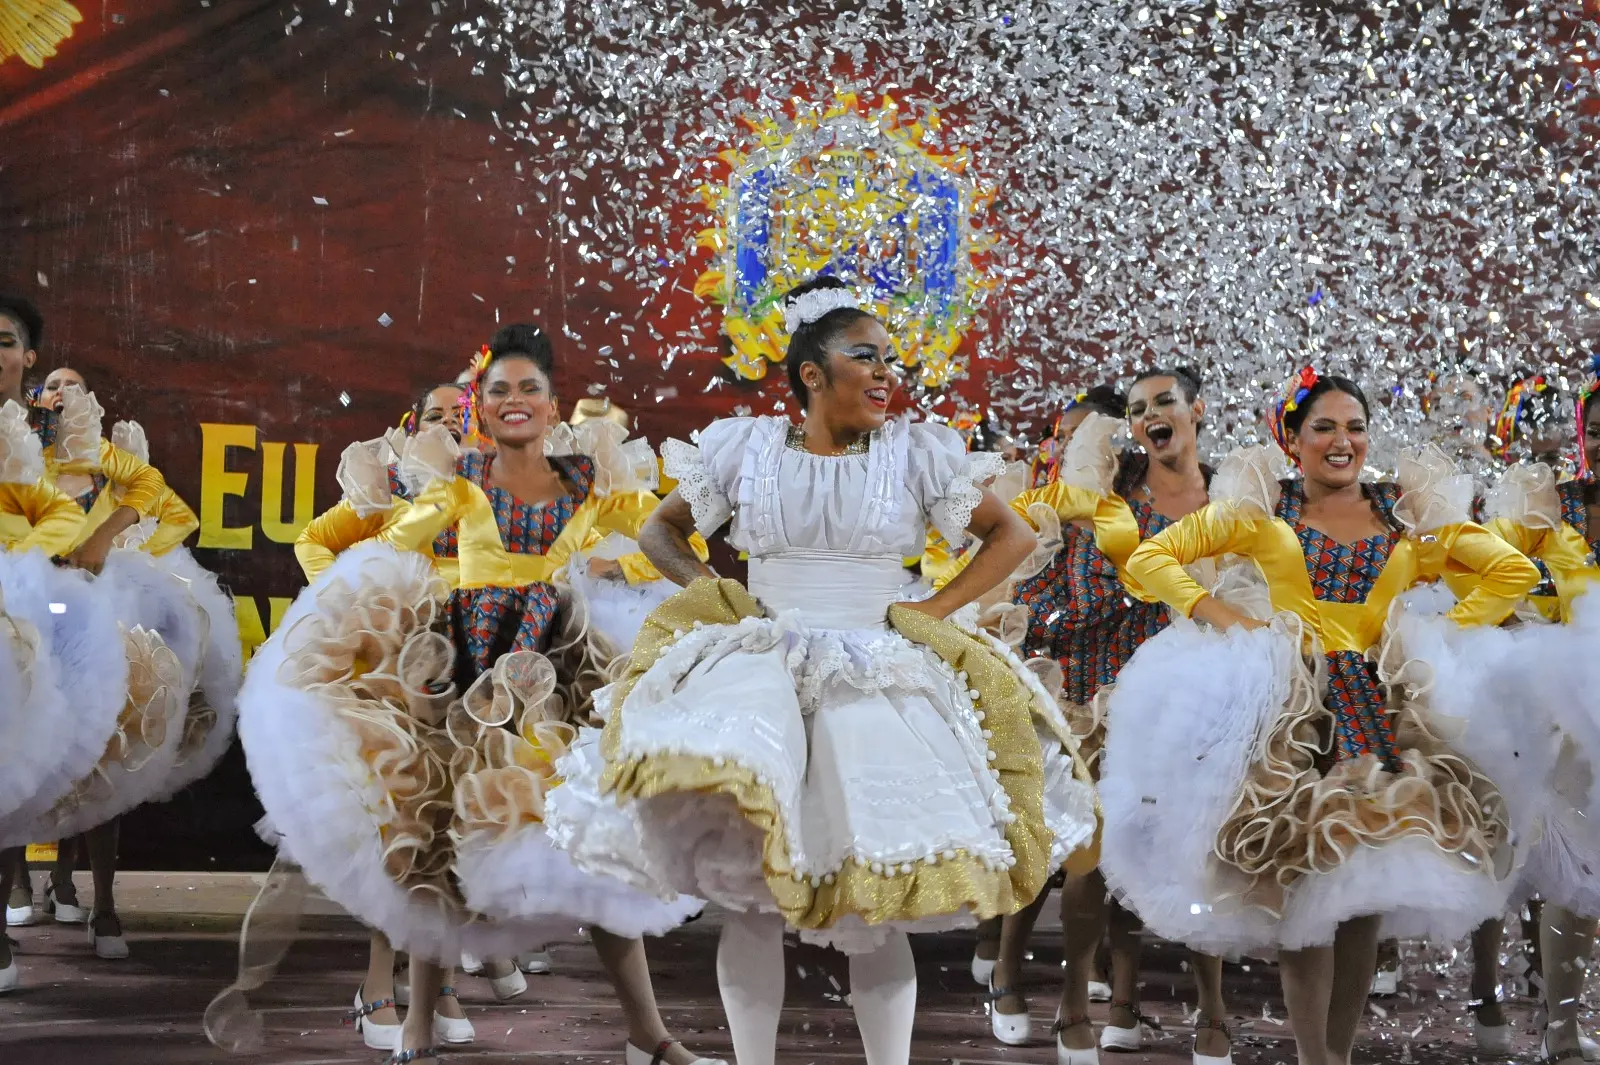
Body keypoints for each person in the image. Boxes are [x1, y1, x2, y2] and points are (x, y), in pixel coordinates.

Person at [547, 275, 1099, 1065]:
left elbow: (1010, 536)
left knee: (874, 902)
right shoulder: (747, 448)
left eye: (890, 361)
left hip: (878, 677)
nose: (885, 375)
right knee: (753, 903)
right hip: (761, 674)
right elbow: (662, 531)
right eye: (865, 357)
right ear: (812, 372)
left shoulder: (914, 453)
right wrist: (716, 595)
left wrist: (931, 614)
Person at [229, 324, 722, 1065]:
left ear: (554, 408)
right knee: (442, 845)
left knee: (597, 839)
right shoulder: (459, 485)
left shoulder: (592, 484)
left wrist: (630, 573)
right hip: (463, 675)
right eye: (499, 391)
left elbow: (676, 539)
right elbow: (388, 547)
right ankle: (420, 1026)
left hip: (563, 672)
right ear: (481, 410)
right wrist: (392, 622)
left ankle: (649, 1035)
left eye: (530, 388)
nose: (515, 401)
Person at [1104, 369, 1540, 1065]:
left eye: (1356, 426)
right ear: (1293, 439)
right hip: (1291, 710)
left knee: (1361, 885)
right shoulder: (1261, 508)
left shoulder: (1405, 513)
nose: (1344, 441)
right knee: (1304, 881)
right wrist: (1229, 618)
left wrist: (1428, 634)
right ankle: (1316, 1056)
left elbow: (1513, 572)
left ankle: (1336, 1053)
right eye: (1325, 427)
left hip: (1374, 707)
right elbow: (1156, 556)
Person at [956, 369, 1230, 1065]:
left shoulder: (1231, 495)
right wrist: (1117, 585)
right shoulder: (1101, 506)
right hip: (1092, 692)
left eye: (1164, 402)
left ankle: (1174, 1006)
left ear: (1197, 410)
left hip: (1188, 696)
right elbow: (1050, 594)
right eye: (1137, 411)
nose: (1150, 417)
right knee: (1082, 853)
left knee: (1184, 848)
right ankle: (1060, 995)